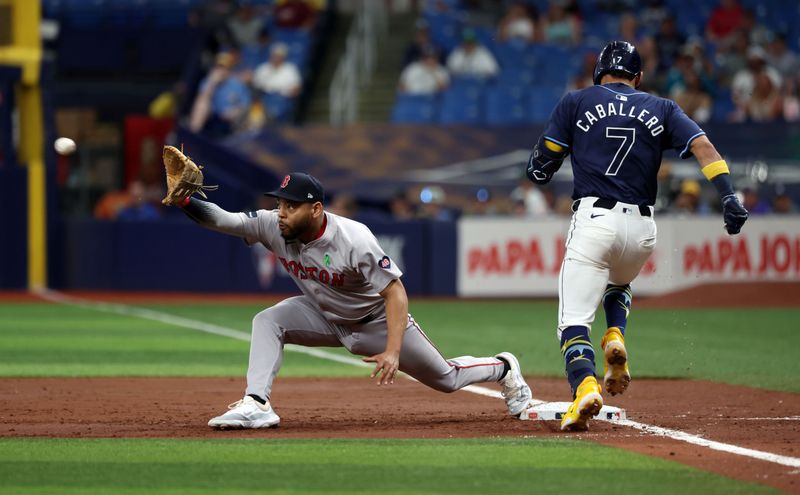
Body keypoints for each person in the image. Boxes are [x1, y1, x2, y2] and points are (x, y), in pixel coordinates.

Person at [168, 172, 533, 429]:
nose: (281, 212)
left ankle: (503, 367)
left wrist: (392, 350)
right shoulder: (271, 224)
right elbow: (225, 221)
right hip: (323, 315)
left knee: (447, 379)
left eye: (291, 206)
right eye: (280, 203)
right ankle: (257, 404)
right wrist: (186, 201)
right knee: (268, 320)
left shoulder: (354, 238)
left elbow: (395, 292)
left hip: (372, 321)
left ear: (315, 209)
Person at [524, 41, 749, 432]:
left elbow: (542, 164)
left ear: (598, 72)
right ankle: (616, 333)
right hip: (642, 228)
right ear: (638, 77)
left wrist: (541, 166)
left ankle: (585, 386)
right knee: (620, 280)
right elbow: (702, 145)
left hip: (595, 219)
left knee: (573, 323)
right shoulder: (662, 107)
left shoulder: (576, 101)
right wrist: (729, 195)